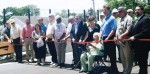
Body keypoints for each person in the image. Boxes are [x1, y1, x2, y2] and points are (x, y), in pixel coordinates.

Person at [119, 6, 150, 74]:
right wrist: (127, 36)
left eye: (138, 10)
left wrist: (134, 37)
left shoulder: (146, 19)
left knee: (143, 63)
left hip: (143, 46)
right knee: (140, 63)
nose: (136, 11)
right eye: (135, 10)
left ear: (142, 10)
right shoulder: (137, 20)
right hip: (137, 45)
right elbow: (133, 31)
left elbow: (146, 32)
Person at [100, 5, 119, 73]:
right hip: (104, 38)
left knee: (112, 55)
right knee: (107, 54)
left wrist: (108, 38)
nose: (103, 12)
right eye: (103, 10)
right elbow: (101, 29)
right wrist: (100, 37)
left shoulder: (112, 18)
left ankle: (114, 70)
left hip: (110, 38)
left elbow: (113, 29)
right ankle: (111, 69)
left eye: (104, 10)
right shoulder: (104, 19)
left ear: (108, 10)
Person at [115, 6, 133, 74]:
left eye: (120, 11)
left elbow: (128, 30)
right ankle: (125, 70)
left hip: (126, 42)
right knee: (122, 58)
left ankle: (128, 72)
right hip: (120, 42)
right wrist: (116, 37)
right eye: (118, 12)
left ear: (124, 11)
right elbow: (117, 30)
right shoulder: (120, 19)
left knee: (128, 57)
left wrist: (121, 36)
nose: (118, 13)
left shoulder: (129, 19)